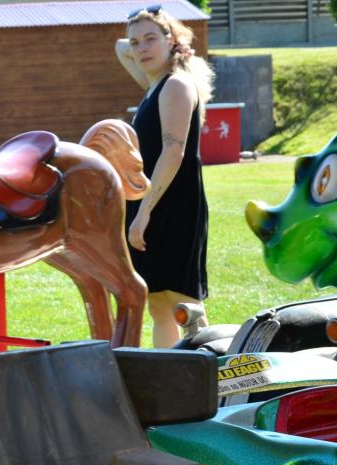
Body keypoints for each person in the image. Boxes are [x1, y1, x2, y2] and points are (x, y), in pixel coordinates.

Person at [116, 8, 214, 348]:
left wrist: (144, 212)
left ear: (171, 40)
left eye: (150, 39)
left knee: (184, 304)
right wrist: (151, 32)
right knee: (159, 304)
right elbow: (120, 48)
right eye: (136, 42)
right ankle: (170, 374)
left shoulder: (175, 85)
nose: (140, 48)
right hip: (155, 201)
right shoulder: (155, 84)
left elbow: (174, 152)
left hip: (173, 204)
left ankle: (213, 370)